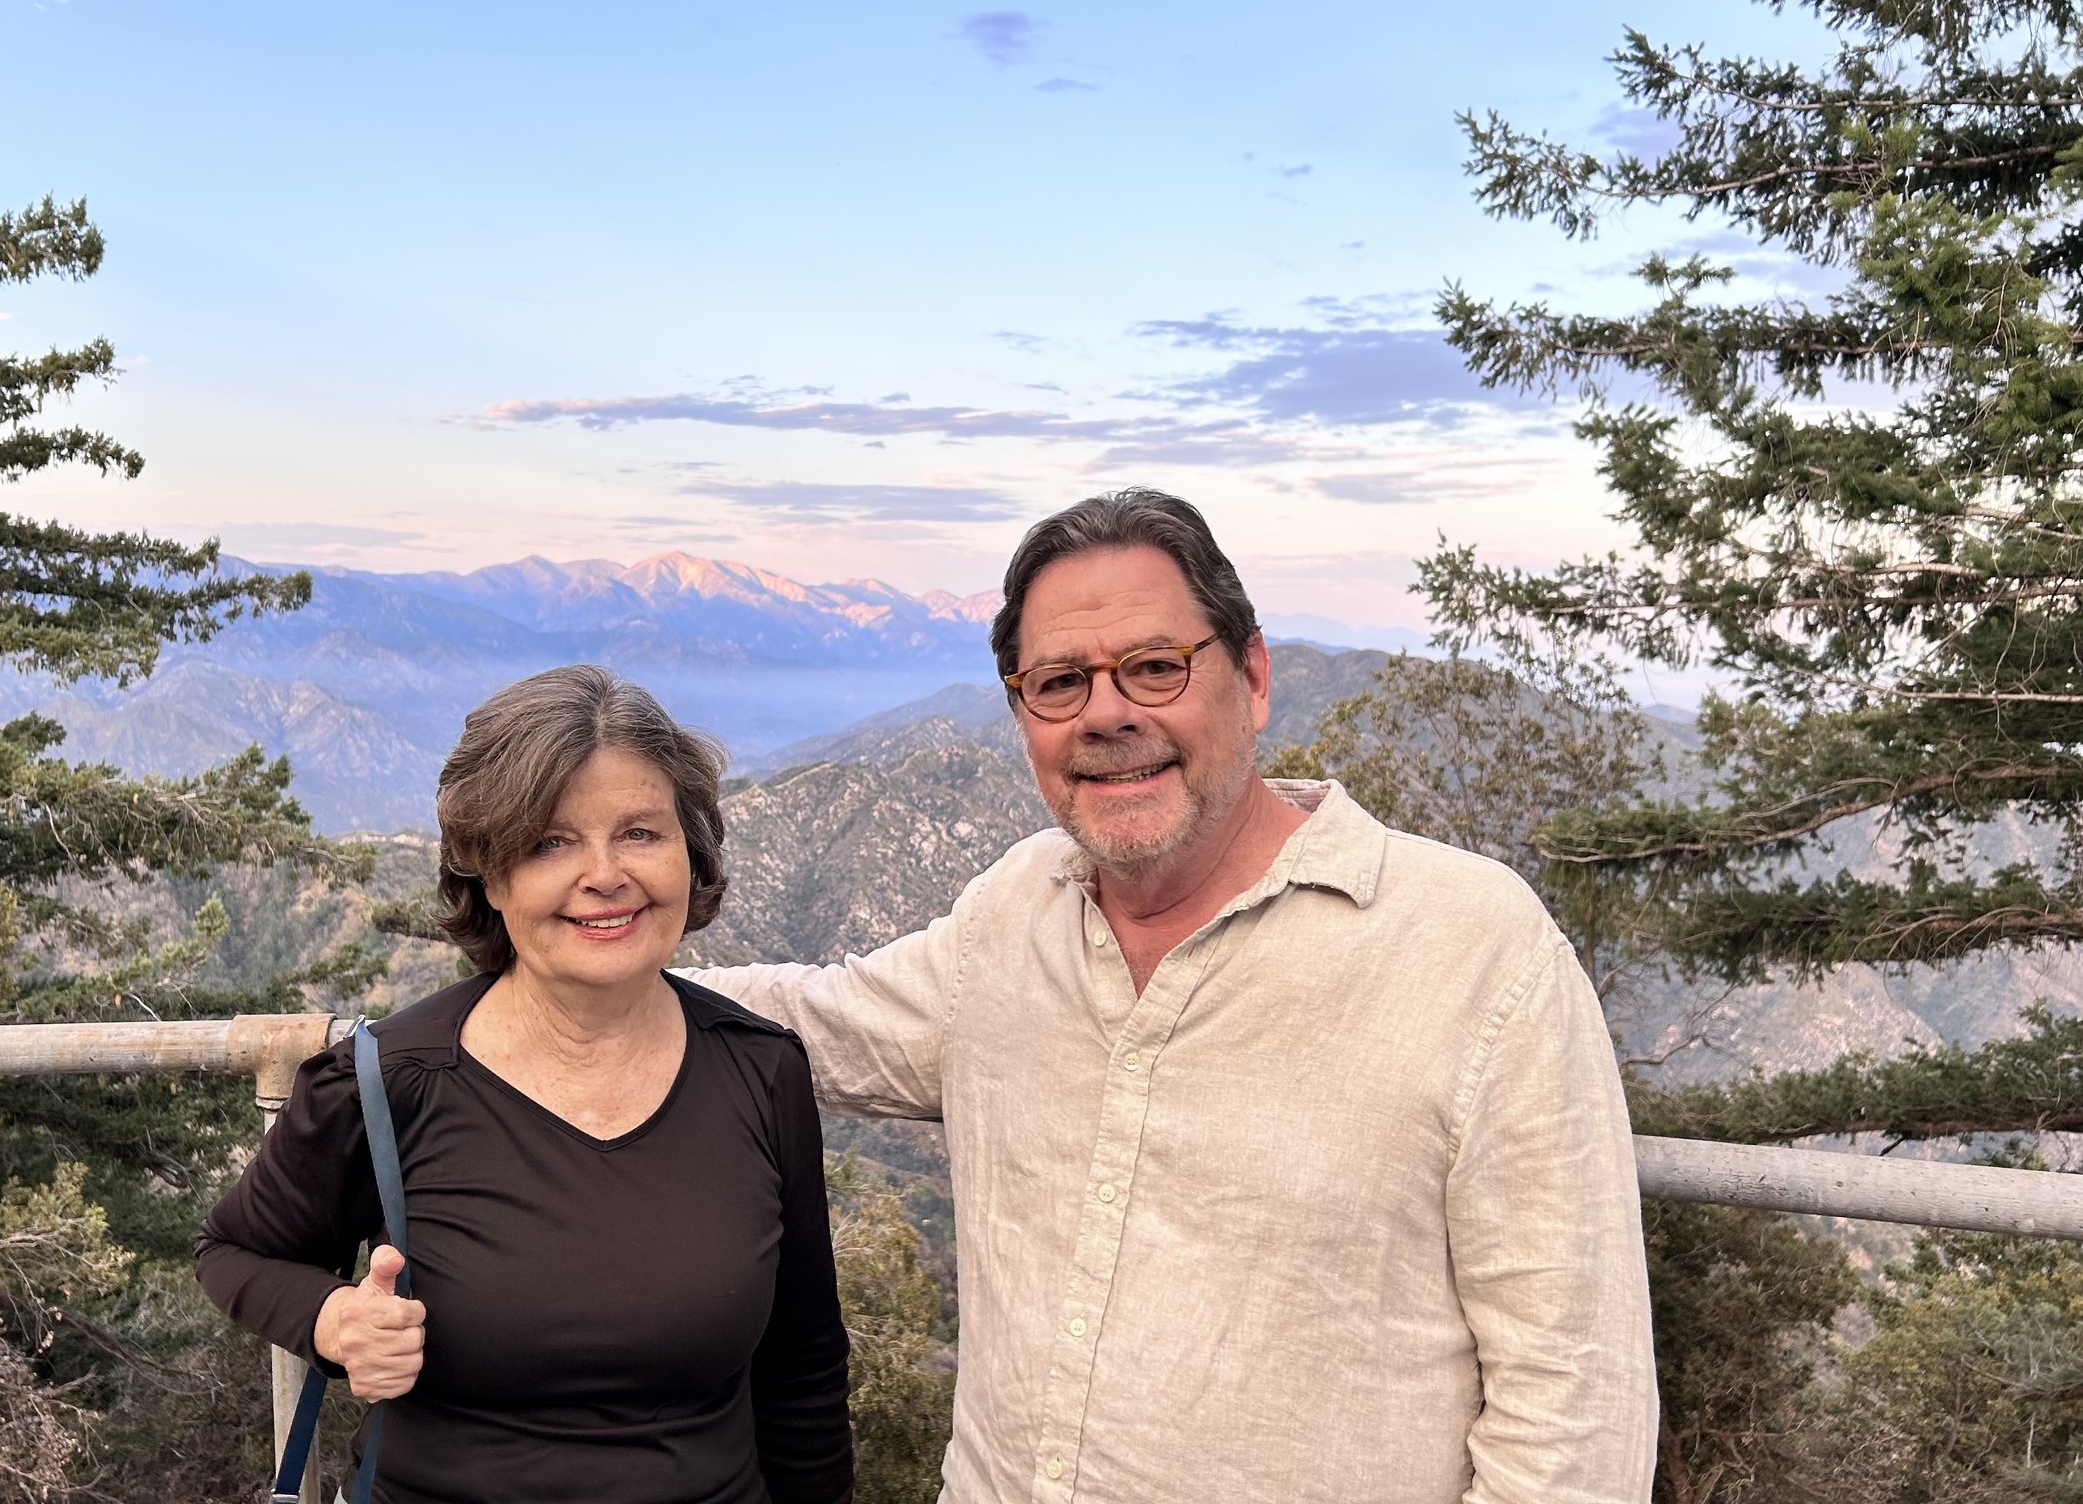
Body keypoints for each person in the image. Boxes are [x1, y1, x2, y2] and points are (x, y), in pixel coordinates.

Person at [690, 488, 1655, 1503]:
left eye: (1154, 667)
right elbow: (814, 1018)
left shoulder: (1473, 948)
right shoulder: (1011, 914)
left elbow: (1573, 1415)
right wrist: (565, 976)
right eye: (1059, 682)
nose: (1108, 713)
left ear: (1252, 676)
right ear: (1023, 715)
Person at [197, 665, 853, 1504]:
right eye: (550, 842)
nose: (605, 873)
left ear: (692, 853)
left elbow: (803, 1371)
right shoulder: (391, 1083)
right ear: (491, 876)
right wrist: (332, 1320)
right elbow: (230, 1250)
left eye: (641, 833)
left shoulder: (761, 1071)